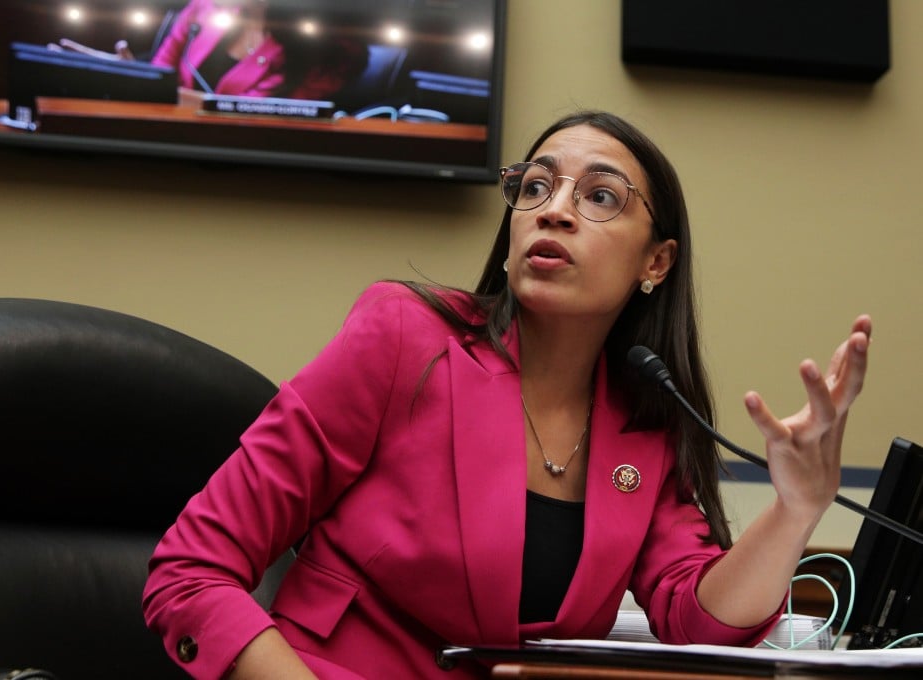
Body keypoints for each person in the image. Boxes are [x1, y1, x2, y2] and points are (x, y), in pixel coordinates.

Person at [142, 110, 871, 679]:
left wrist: (795, 509)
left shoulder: (645, 421)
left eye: (600, 197)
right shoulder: (403, 338)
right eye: (536, 187)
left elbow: (697, 621)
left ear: (657, 261)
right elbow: (192, 570)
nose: (553, 211)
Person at [55, 0, 367, 100]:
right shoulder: (204, 9)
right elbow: (161, 71)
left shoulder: (326, 55)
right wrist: (116, 70)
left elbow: (247, 116)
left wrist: (146, 86)